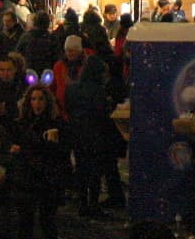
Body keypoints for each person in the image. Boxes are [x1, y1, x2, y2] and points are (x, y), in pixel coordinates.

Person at [64, 55, 122, 215]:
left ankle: (82, 203)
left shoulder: (72, 89)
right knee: (95, 170)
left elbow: (68, 108)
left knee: (81, 168)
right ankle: (93, 204)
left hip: (77, 133)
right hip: (96, 135)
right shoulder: (99, 91)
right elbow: (103, 113)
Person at [12, 86, 67, 239]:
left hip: (47, 177)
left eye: (41, 99)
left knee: (47, 220)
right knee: (25, 220)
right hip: (27, 177)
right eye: (34, 99)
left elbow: (62, 150)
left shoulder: (56, 123)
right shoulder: (22, 123)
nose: (37, 103)